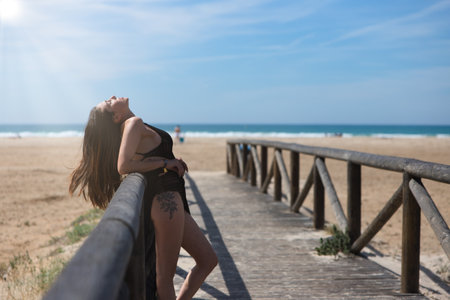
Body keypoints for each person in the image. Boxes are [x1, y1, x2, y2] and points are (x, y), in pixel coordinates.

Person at [69, 96, 217, 300]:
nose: (112, 97)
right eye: (108, 102)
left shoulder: (130, 126)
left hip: (170, 198)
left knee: (208, 259)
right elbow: (124, 166)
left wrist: (169, 160)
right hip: (165, 200)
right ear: (116, 116)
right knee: (164, 279)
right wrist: (165, 162)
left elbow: (142, 158)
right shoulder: (133, 123)